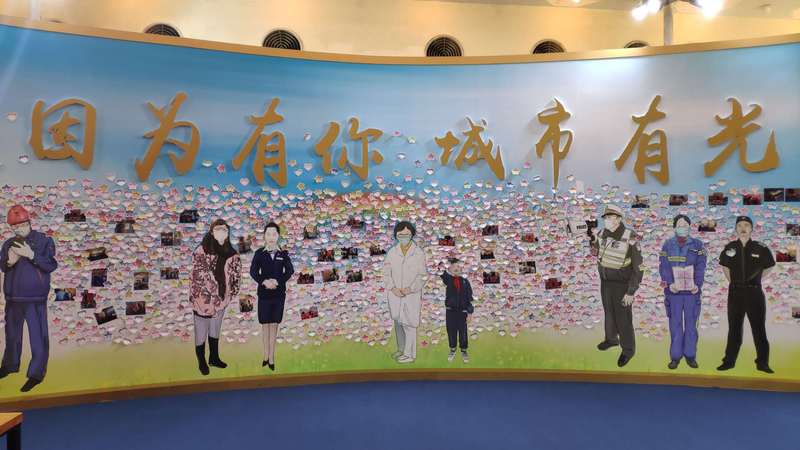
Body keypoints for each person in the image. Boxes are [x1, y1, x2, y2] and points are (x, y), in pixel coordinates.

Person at [0, 204, 58, 392]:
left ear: (28, 222)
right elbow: (3, 266)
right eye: (14, 227)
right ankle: (9, 365)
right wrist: (10, 261)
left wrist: (31, 255)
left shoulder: (44, 241)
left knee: (38, 338)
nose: (18, 229)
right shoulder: (8, 243)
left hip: (35, 298)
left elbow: (50, 265)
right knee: (12, 335)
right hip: (13, 298)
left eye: (21, 225)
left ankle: (36, 374)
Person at [717, 216, 775, 374]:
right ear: (736, 229)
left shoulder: (760, 248)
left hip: (754, 292)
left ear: (751, 229)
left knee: (759, 329)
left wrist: (757, 280)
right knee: (734, 329)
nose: (743, 228)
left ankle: (762, 363)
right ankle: (729, 361)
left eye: (746, 225)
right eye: (740, 225)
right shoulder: (730, 247)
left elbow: (770, 266)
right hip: (735, 292)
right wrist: (733, 282)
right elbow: (725, 267)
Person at [590, 204, 643, 368]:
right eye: (605, 218)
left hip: (622, 284)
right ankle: (611, 339)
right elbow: (595, 252)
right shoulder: (602, 233)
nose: (606, 220)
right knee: (609, 313)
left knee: (623, 318)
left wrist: (631, 291)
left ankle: (628, 350)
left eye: (609, 218)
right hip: (605, 282)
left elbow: (639, 267)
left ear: (618, 219)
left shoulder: (630, 236)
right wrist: (593, 240)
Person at [190, 219, 241, 376]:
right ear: (212, 232)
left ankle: (214, 357)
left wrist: (229, 295)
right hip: (202, 300)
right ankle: (201, 360)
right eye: (218, 229)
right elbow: (200, 274)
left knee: (215, 328)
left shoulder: (232, 254)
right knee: (201, 330)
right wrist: (214, 292)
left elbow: (236, 276)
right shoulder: (201, 251)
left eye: (225, 229)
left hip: (222, 299)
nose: (222, 232)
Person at [658, 214, 707, 369]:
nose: (682, 228)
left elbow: (701, 266)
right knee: (675, 325)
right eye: (679, 225)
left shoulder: (698, 245)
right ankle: (675, 357)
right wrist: (669, 284)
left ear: (690, 227)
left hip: (692, 293)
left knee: (691, 325)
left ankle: (690, 355)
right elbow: (663, 266)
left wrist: (697, 285)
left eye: (685, 225)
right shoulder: (667, 245)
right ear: (674, 227)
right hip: (674, 293)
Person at [249, 222, 294, 371]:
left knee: (274, 324)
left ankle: (272, 357)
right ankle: (265, 355)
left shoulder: (283, 254)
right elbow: (253, 272)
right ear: (264, 236)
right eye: (268, 234)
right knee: (265, 325)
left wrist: (277, 281)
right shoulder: (259, 253)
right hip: (264, 294)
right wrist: (264, 281)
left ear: (278, 236)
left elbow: (290, 271)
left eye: (274, 234)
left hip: (278, 294)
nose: (271, 237)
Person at [383, 221, 427, 364]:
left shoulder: (418, 253)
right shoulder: (392, 252)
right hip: (395, 295)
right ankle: (401, 349)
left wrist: (410, 289)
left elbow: (422, 276)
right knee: (398, 323)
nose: (404, 237)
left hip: (411, 295)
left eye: (407, 234)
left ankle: (410, 354)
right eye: (400, 235)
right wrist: (393, 288)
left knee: (409, 325)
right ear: (396, 235)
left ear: (412, 235)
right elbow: (386, 273)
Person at [440, 258, 474, 363]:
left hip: (463, 312)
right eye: (454, 266)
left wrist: (470, 313)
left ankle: (464, 350)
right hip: (450, 311)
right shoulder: (448, 279)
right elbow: (440, 268)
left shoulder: (465, 281)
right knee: (451, 330)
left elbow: (469, 298)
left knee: (463, 331)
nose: (456, 268)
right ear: (449, 268)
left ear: (462, 269)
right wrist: (445, 260)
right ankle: (452, 349)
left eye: (458, 266)